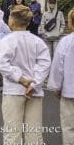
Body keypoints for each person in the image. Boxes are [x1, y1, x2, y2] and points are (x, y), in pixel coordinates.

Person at [0, 5, 51, 145]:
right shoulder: (37, 41)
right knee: (34, 132)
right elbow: (45, 63)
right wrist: (34, 83)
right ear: (27, 22)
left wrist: (21, 80)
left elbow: (3, 65)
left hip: (14, 90)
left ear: (12, 21)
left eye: (9, 16)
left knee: (12, 132)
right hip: (34, 91)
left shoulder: (7, 40)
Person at [47, 9, 74, 145]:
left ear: (70, 23)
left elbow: (58, 66)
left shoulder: (66, 41)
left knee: (69, 126)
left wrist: (56, 86)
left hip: (69, 90)